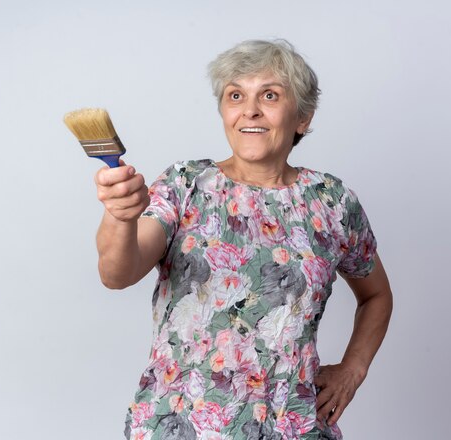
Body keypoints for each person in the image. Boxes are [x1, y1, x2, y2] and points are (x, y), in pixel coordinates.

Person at [94, 39, 393, 440]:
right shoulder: (185, 184)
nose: (250, 109)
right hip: (180, 426)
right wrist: (119, 216)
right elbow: (117, 273)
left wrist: (353, 368)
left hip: (293, 425)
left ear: (302, 117)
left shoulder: (332, 201)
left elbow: (376, 295)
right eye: (236, 95)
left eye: (269, 95)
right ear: (224, 111)